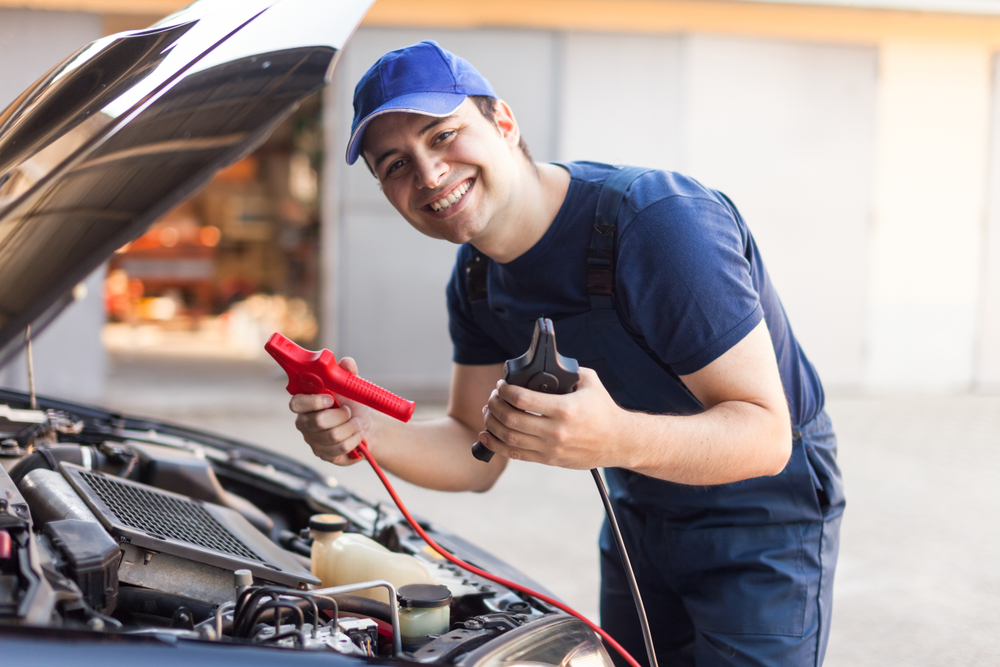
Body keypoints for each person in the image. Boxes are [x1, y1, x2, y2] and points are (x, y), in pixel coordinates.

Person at [290, 40, 845, 667]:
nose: (429, 174)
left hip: (764, 519)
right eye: (395, 165)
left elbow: (766, 438)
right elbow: (474, 448)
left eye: (442, 135)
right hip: (641, 511)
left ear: (503, 121)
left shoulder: (659, 224)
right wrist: (365, 432)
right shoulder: (477, 279)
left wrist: (616, 440)